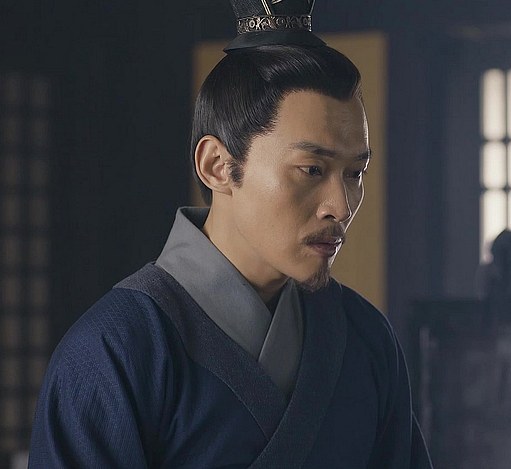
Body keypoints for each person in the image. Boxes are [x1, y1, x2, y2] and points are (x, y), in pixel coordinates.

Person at [29, 1, 433, 467]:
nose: (340, 207)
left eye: (354, 173)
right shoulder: (114, 350)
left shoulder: (364, 337)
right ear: (217, 166)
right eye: (311, 169)